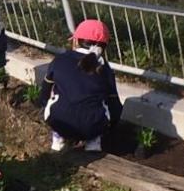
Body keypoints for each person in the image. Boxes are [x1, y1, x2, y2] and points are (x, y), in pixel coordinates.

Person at [39, 19, 123, 152]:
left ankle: (58, 140)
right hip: (93, 126)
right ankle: (93, 143)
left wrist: (43, 106)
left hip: (59, 121)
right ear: (104, 47)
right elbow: (114, 104)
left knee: (56, 97)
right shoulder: (104, 68)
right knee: (101, 105)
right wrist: (111, 125)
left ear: (76, 41)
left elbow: (45, 92)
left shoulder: (60, 60)